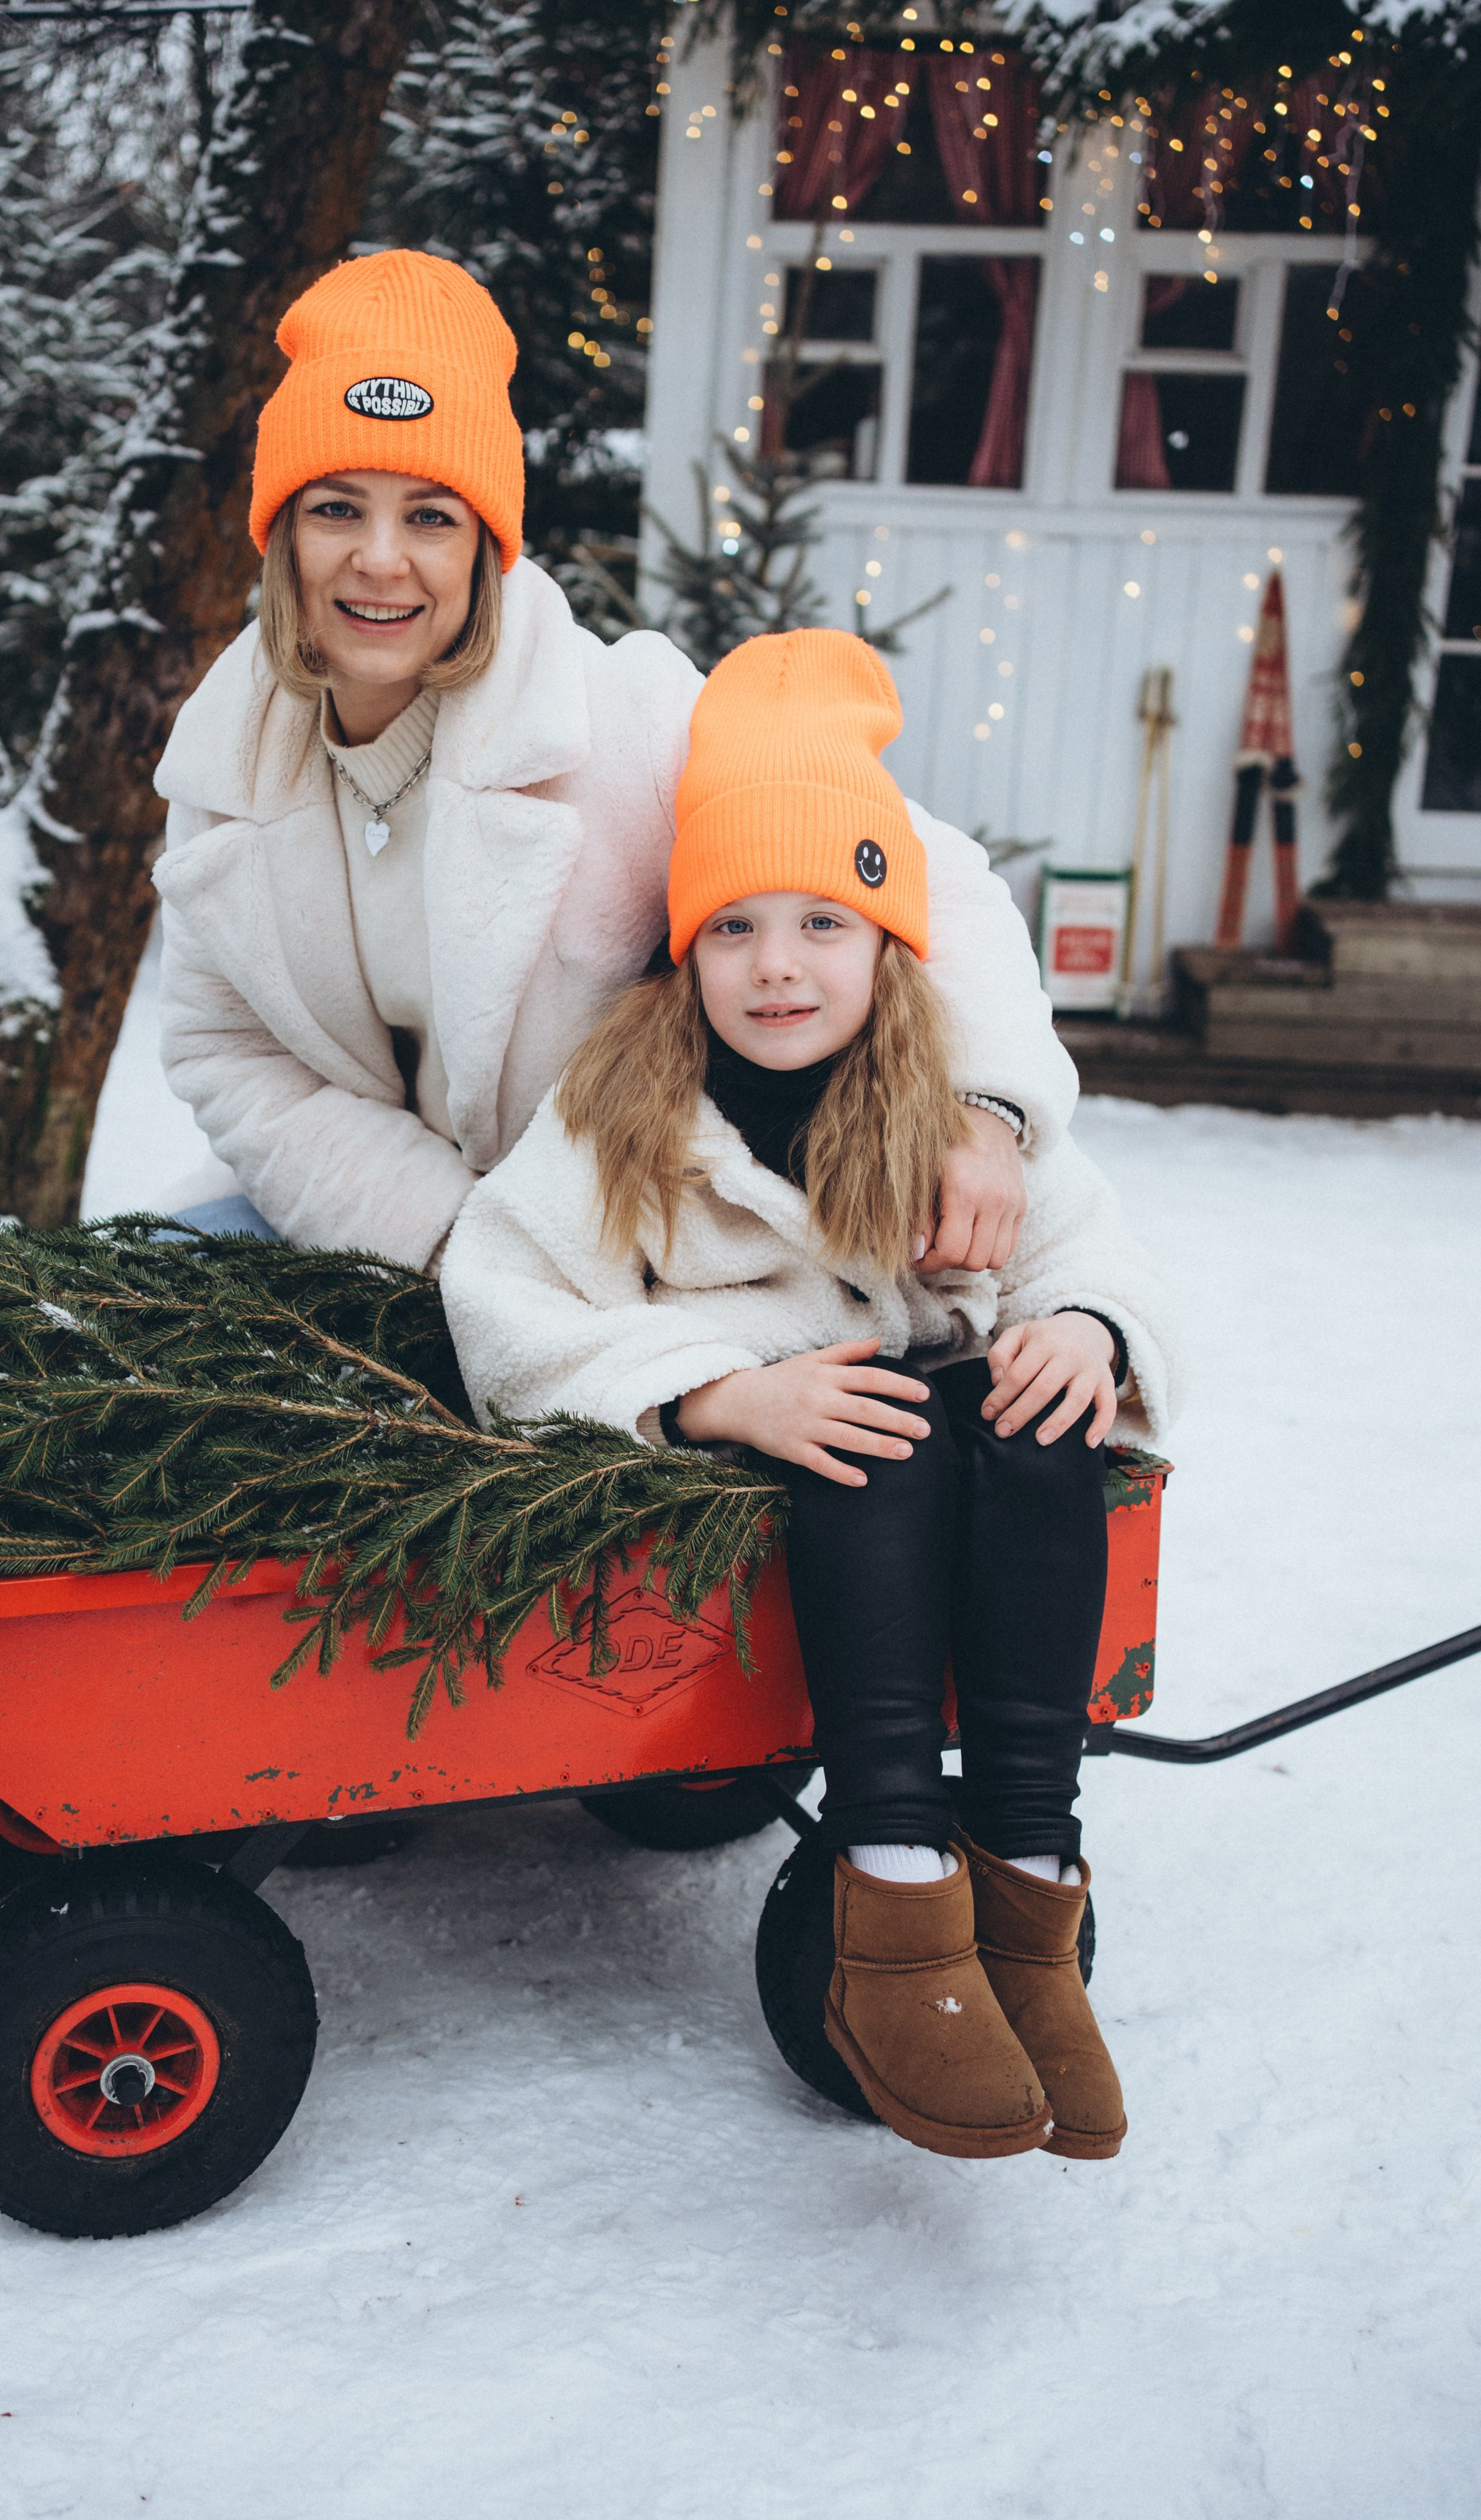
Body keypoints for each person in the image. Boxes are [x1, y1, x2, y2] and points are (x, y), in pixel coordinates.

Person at [440, 629, 1181, 2164]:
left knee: (1034, 1422)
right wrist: (712, 1394)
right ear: (684, 952)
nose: (776, 966)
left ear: (887, 946)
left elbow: (1086, 1240)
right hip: (798, 1489)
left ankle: (1030, 1895)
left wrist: (1089, 1329)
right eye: (734, 929)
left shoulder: (951, 1112)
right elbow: (499, 1297)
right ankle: (894, 1889)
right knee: (879, 1445)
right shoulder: (626, 1111)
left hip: (943, 1480)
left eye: (822, 924)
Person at [150, 248, 1076, 1272]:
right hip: (406, 1234)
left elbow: (927, 880)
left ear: (485, 545)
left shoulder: (620, 720)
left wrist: (982, 1106)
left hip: (639, 1246)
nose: (379, 558)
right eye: (335, 507)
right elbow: (228, 1052)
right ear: (279, 534)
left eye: (429, 515)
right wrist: (457, 1237)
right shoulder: (223, 773)